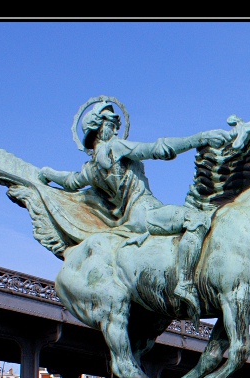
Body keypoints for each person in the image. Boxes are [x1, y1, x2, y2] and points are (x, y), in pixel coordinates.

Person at [38, 99, 232, 322]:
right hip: (147, 212)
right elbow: (157, 149)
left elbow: (71, 181)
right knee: (196, 219)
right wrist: (200, 139)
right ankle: (185, 283)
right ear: (100, 128)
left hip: (129, 220)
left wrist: (48, 173)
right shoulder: (115, 148)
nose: (115, 128)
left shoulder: (90, 169)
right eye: (111, 123)